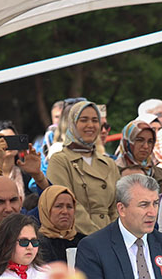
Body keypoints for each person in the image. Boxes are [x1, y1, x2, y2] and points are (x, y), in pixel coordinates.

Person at [46, 100, 120, 236]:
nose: (90, 125)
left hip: (111, 238)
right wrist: (97, 236)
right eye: (84, 120)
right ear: (72, 124)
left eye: (95, 120)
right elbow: (67, 206)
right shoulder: (60, 161)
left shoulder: (109, 163)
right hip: (78, 237)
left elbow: (117, 207)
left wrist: (117, 236)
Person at [113, 119, 162, 187]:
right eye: (140, 140)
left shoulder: (159, 173)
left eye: (150, 141)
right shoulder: (113, 172)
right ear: (127, 142)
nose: (146, 146)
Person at [36, 185, 81, 264]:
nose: (65, 211)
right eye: (58, 206)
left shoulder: (83, 243)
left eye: (69, 206)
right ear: (45, 209)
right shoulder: (35, 243)